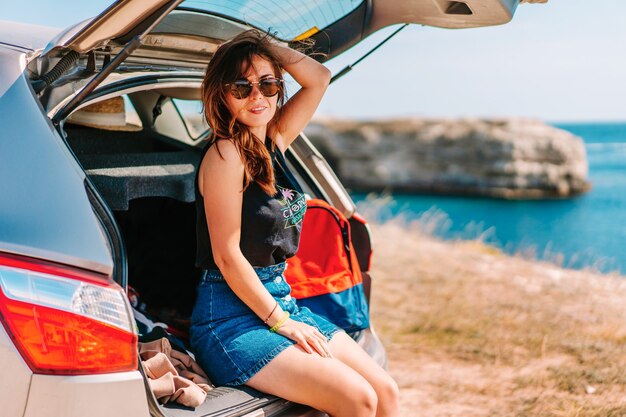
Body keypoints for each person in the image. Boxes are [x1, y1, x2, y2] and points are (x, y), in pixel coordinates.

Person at [190, 30, 399, 417]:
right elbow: (227, 256)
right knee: (359, 399)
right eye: (241, 86)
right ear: (221, 93)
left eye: (267, 84)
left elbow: (318, 77)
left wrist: (260, 46)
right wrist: (281, 322)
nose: (257, 96)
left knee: (385, 392)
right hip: (230, 317)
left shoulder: (272, 142)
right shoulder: (225, 154)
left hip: (281, 298)